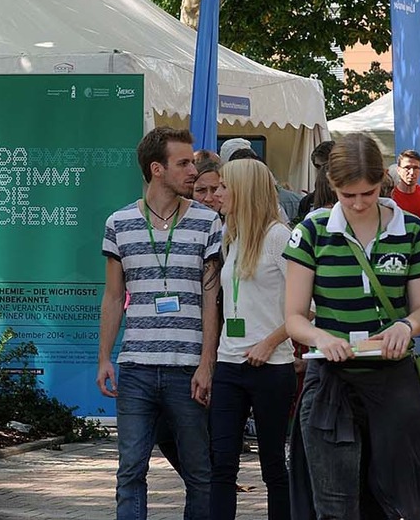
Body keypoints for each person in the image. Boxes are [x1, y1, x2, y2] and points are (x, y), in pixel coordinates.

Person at [283, 133, 420, 520]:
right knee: (335, 507)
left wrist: (405, 326)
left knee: (399, 503)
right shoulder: (312, 230)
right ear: (332, 186)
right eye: (346, 195)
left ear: (382, 183)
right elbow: (294, 318)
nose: (357, 204)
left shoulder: (410, 230)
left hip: (392, 382)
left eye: (367, 194)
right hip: (331, 385)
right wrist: (320, 336)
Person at [97, 127, 222, 520]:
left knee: (200, 473)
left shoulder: (207, 223)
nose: (192, 171)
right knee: (130, 470)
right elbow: (114, 296)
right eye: (183, 163)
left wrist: (207, 363)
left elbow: (210, 299)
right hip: (135, 368)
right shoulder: (119, 223)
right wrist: (104, 357)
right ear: (157, 169)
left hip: (187, 369)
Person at [209, 159, 295, 520]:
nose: (216, 194)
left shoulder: (279, 237)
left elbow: (307, 307)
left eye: (224, 187)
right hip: (229, 363)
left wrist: (270, 342)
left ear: (244, 190)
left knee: (272, 462)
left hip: (272, 366)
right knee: (221, 463)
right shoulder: (231, 236)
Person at [390, 148, 420, 226]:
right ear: (398, 170)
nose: (411, 172)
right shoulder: (391, 196)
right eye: (407, 168)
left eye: (415, 168)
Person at [296, 140, 335, 220]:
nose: (322, 171)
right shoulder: (307, 201)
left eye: (325, 166)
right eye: (318, 167)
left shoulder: (349, 198)